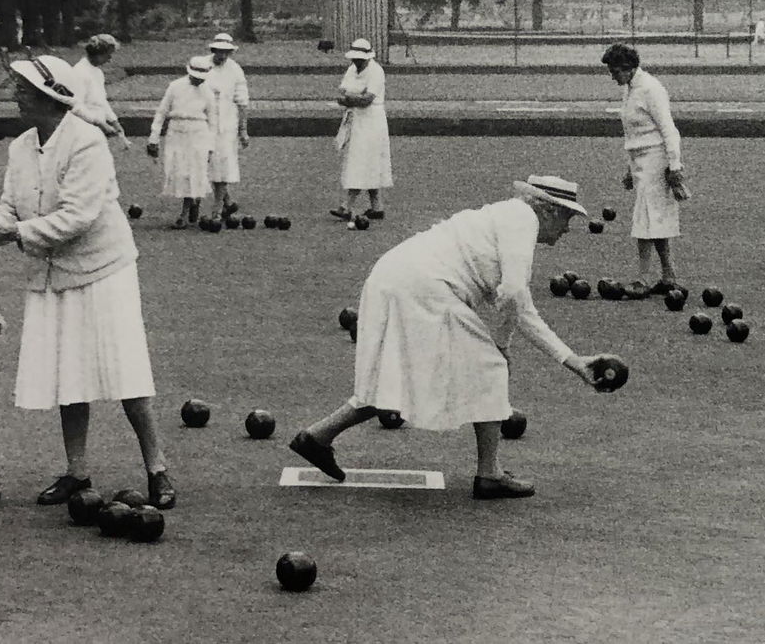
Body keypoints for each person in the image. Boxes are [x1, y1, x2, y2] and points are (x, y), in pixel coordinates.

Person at [287, 175, 618, 499]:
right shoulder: (523, 219)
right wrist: (500, 346)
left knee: (397, 375)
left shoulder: (506, 219)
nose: (566, 229)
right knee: (490, 367)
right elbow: (514, 294)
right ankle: (490, 475)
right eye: (566, 218)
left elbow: (521, 307)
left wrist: (573, 361)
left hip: (397, 277)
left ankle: (316, 438)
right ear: (548, 210)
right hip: (424, 286)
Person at [0, 54, 174, 508]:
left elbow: (78, 216)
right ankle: (77, 473)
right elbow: (11, 206)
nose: (16, 96)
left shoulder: (87, 143)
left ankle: (157, 468)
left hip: (104, 269)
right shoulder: (21, 147)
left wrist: (11, 234)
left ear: (50, 98)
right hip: (53, 273)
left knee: (126, 372)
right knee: (68, 373)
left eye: (24, 90)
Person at [601, 43, 687, 295]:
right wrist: (630, 169)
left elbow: (669, 130)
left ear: (628, 68)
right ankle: (669, 276)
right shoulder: (630, 88)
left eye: (615, 71)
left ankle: (642, 279)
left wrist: (675, 165)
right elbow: (635, 133)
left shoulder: (651, 88)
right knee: (654, 218)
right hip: (640, 161)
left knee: (645, 218)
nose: (612, 76)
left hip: (656, 159)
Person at [146, 55, 215, 229]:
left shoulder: (208, 91)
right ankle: (193, 201)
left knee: (194, 171)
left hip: (198, 133)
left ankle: (184, 214)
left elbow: (213, 121)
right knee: (180, 171)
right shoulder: (175, 86)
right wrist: (154, 137)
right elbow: (161, 112)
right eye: (196, 77)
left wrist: (211, 146)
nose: (199, 81)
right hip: (176, 132)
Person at [330, 37, 393, 223]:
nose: (356, 62)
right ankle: (377, 208)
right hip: (356, 120)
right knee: (368, 161)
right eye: (354, 59)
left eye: (359, 59)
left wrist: (351, 99)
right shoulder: (352, 69)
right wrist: (353, 97)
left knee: (362, 161)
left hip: (373, 121)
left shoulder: (376, 71)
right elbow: (344, 90)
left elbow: (367, 100)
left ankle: (346, 207)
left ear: (367, 57)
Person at [203, 32, 250, 219]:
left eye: (226, 52)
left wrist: (243, 130)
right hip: (204, 122)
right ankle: (228, 202)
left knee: (222, 165)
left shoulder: (235, 70)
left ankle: (217, 209)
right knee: (209, 165)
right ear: (213, 49)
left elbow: (242, 101)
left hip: (227, 124)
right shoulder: (202, 65)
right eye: (219, 51)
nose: (222, 55)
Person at [71, 33, 130, 150]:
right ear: (98, 53)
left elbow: (101, 101)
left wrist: (114, 122)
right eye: (108, 55)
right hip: (83, 129)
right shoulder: (79, 72)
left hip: (98, 131)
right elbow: (76, 107)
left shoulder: (98, 73)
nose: (109, 59)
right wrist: (99, 123)